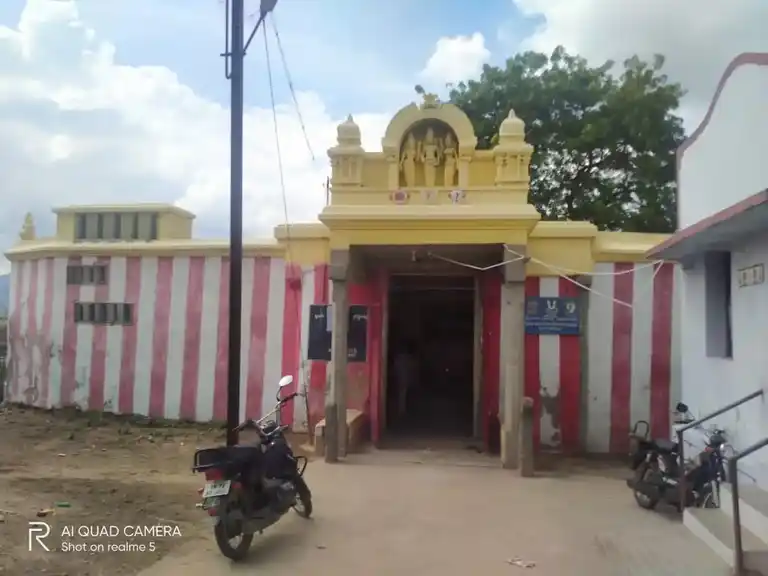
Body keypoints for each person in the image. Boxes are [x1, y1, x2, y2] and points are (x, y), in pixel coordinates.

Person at [394, 343, 418, 420]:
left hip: (401, 377)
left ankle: (402, 410)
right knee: (404, 394)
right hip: (405, 378)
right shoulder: (409, 359)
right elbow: (413, 368)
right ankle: (402, 410)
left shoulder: (398, 359)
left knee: (402, 394)